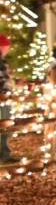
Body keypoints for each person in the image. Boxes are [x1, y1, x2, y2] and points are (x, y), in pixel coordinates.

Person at [0, 34, 17, 163]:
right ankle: (4, 155)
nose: (8, 49)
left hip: (6, 97)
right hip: (3, 98)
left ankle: (5, 154)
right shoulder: (1, 62)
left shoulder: (3, 61)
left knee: (5, 126)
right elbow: (3, 79)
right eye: (7, 47)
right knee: (5, 125)